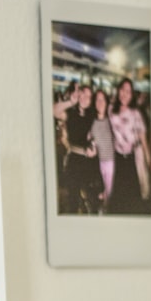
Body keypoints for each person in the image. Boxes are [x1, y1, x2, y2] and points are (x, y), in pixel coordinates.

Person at [109, 78, 151, 215]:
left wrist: (149, 161)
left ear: (132, 94)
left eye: (128, 91)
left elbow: (144, 141)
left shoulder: (136, 114)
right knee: (119, 195)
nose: (125, 94)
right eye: (123, 90)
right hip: (118, 157)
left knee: (134, 194)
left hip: (133, 158)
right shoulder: (111, 110)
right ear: (118, 91)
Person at [53, 84, 98, 214]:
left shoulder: (92, 115)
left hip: (89, 162)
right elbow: (54, 111)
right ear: (78, 95)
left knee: (90, 199)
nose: (85, 98)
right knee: (73, 199)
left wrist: (94, 146)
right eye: (83, 94)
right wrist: (70, 102)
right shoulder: (71, 113)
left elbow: (96, 134)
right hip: (74, 160)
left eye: (89, 97)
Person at [89, 89, 115, 212]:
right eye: (97, 100)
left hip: (112, 162)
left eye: (102, 99)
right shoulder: (92, 122)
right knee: (103, 192)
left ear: (106, 101)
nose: (99, 102)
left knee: (110, 193)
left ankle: (106, 213)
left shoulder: (112, 119)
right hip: (99, 163)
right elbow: (90, 138)